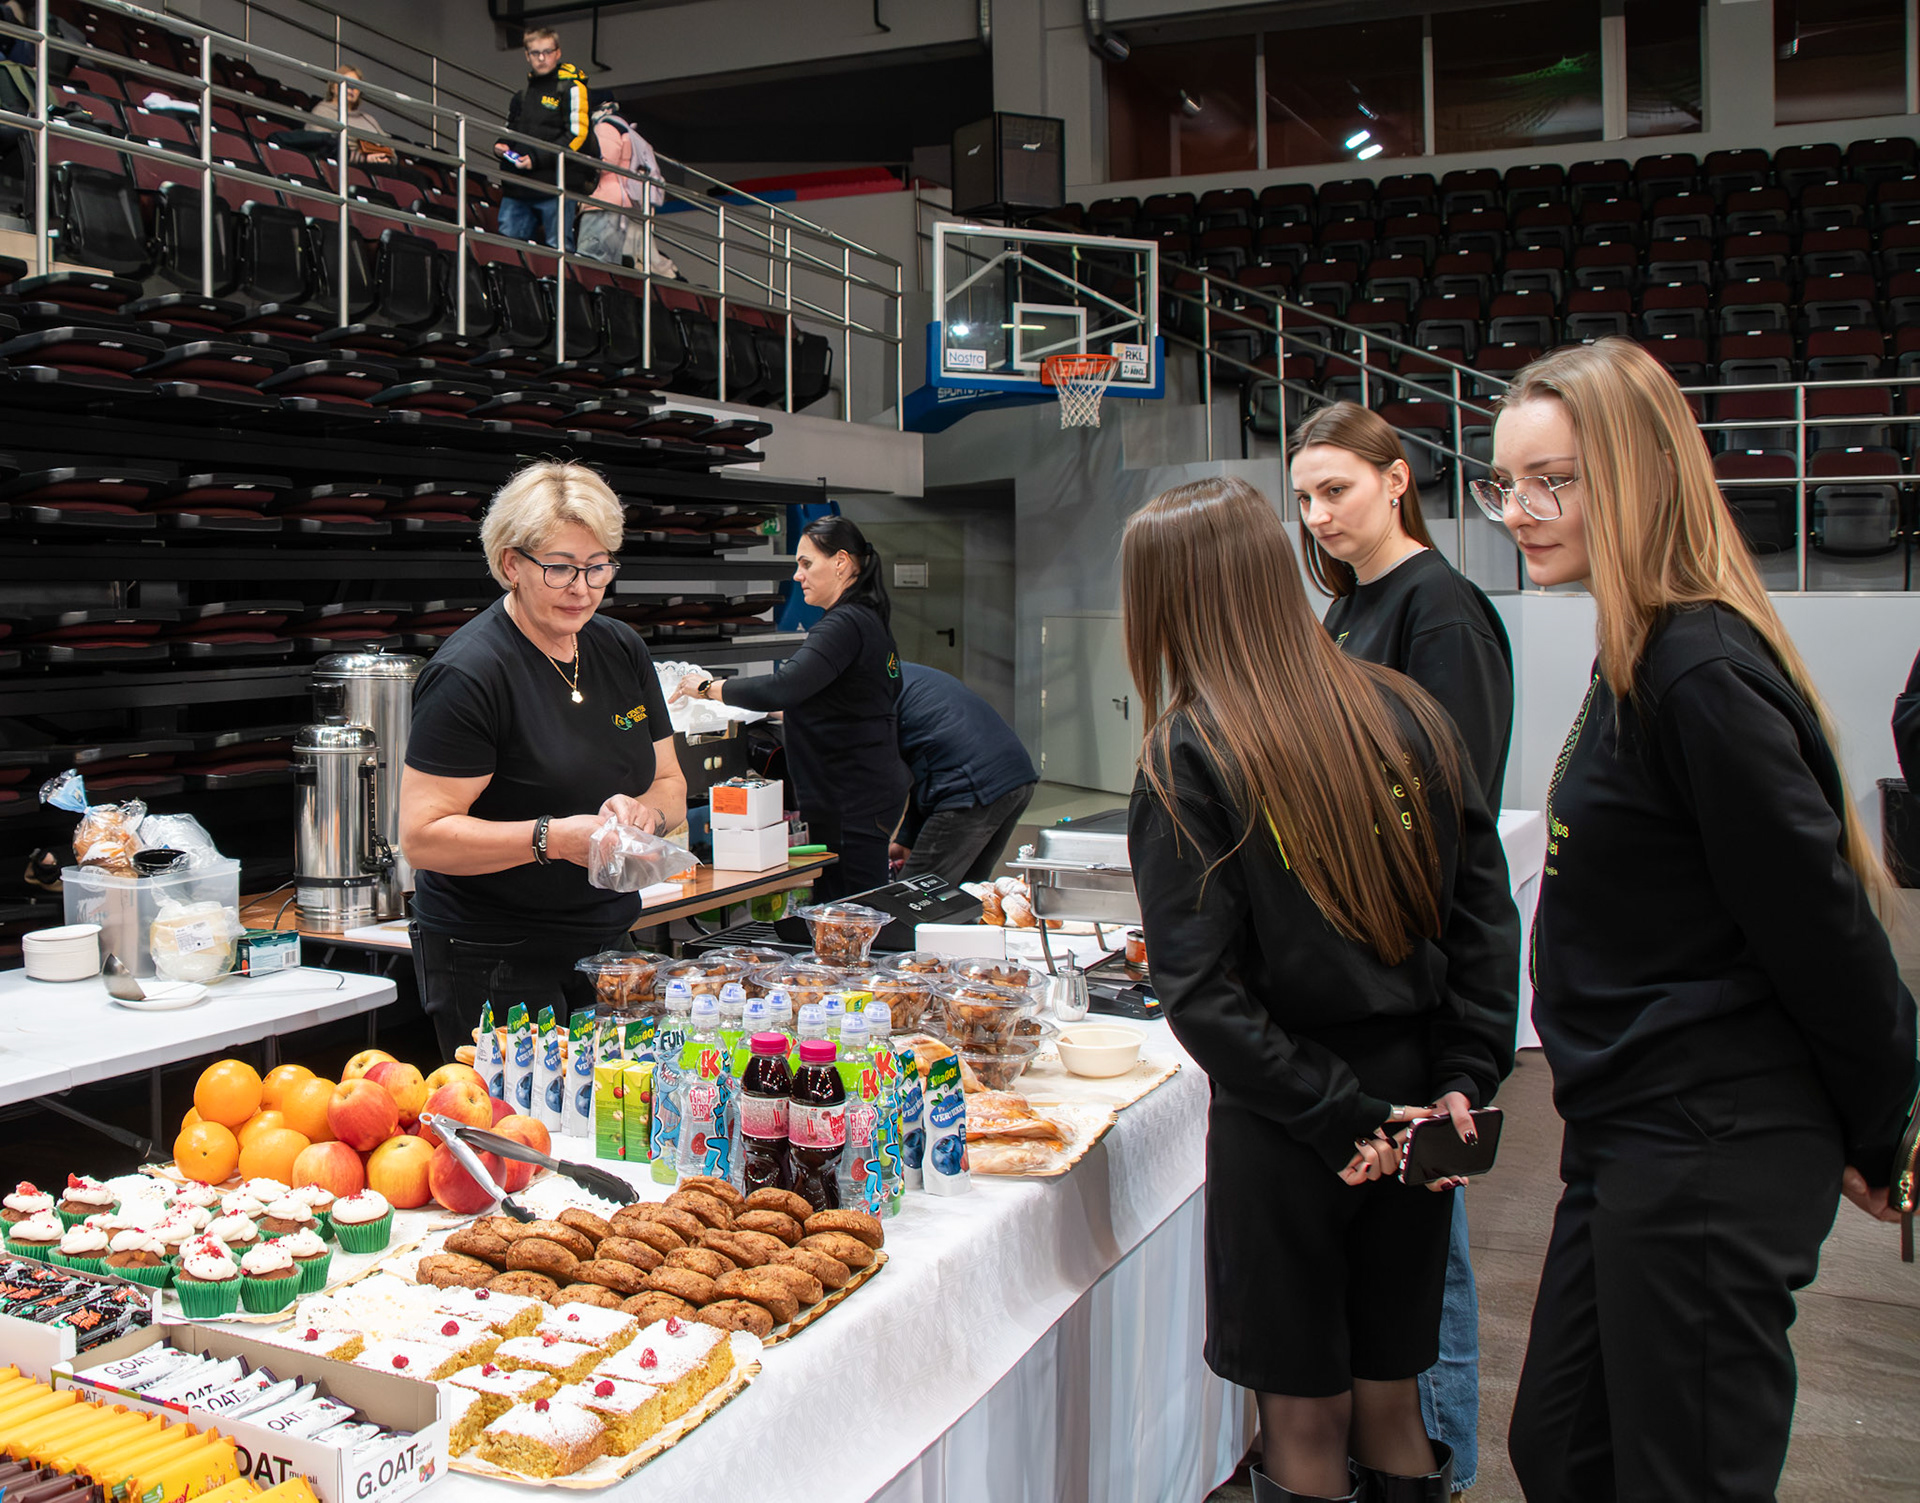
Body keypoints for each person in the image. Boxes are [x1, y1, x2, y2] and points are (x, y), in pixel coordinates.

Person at [1484, 339, 1919, 1502]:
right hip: (1632, 1129)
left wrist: (1886, 1128)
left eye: (1553, 482)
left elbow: (1825, 929)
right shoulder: (1637, 651)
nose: (1520, 512)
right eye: (1506, 483)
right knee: (1563, 1448)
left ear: (1639, 475)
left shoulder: (1697, 669)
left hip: (1710, 1140)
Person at [1124, 476, 1519, 1503]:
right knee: (1391, 1398)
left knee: (1302, 1418)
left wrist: (1340, 1115)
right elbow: (1485, 922)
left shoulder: (1189, 751)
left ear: (1164, 602)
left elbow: (1201, 994)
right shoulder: (1407, 714)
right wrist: (1462, 1080)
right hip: (1415, 1108)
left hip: (1290, 1125)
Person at [1292, 400, 1514, 1495]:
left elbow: (1448, 825)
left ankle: (1444, 1461)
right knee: (1392, 1269)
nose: (1318, 515)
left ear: (1395, 479)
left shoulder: (1441, 609)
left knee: (1429, 1258)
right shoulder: (1349, 608)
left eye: (1335, 489)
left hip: (1412, 979)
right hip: (1365, 965)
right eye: (1303, 498)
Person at [398, 462, 687, 1063]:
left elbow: (669, 784)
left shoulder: (620, 648)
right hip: (492, 953)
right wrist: (552, 839)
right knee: (518, 1119)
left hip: (606, 941)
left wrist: (645, 817)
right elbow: (423, 838)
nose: (582, 588)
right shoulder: (470, 673)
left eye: (598, 566)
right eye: (560, 568)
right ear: (512, 564)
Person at [672, 515, 908, 900]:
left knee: (851, 910)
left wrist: (708, 688)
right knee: (850, 903)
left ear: (841, 562)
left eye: (806, 563)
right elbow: (852, 699)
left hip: (851, 796)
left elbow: (784, 686)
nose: (798, 576)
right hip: (867, 791)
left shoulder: (844, 624)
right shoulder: (868, 619)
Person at [887, 662, 1036, 886]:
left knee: (914, 895)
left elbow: (882, 778)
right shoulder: (901, 673)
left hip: (972, 785)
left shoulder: (869, 688)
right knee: (967, 892)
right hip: (1014, 775)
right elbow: (924, 763)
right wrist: (906, 838)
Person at [495, 26, 594, 250]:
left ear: (558, 53)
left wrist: (536, 158)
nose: (542, 58)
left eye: (547, 52)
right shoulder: (522, 96)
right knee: (509, 251)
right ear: (527, 55)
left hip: (556, 186)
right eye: (535, 53)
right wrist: (502, 145)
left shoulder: (572, 88)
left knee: (556, 252)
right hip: (519, 186)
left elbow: (577, 136)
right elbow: (512, 130)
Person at [576, 99, 681, 279]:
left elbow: (604, 162)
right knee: (610, 266)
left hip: (603, 202)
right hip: (622, 203)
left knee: (592, 259)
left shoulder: (604, 127)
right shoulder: (627, 130)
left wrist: (577, 164)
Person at [319, 65, 392, 165]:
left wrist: (387, 158)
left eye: (356, 85)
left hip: (382, 165)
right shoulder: (323, 111)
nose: (352, 88)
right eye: (347, 83)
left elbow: (390, 148)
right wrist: (365, 159)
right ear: (332, 87)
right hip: (350, 166)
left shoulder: (368, 118)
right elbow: (323, 147)